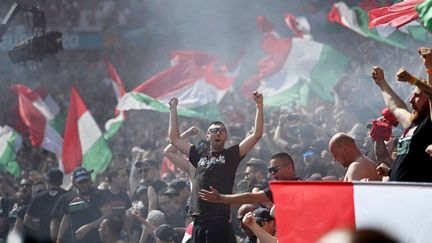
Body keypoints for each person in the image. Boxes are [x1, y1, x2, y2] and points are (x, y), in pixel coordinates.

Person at [168, 91, 264, 243]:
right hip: (198, 221)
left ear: (226, 136)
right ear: (207, 136)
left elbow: (256, 135)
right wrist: (173, 110)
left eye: (221, 130)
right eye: (214, 130)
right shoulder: (198, 153)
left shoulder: (231, 154)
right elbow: (174, 139)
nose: (218, 133)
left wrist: (259, 106)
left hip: (218, 222)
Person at [371, 56, 432, 181]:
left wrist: (422, 73)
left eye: (416, 96)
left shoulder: (429, 123)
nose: (410, 100)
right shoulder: (413, 124)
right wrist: (382, 82)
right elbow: (395, 107)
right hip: (401, 193)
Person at [199, 152, 298, 205]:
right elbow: (252, 197)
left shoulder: (305, 187)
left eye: (275, 169)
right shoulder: (278, 189)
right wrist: (220, 198)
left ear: (289, 167)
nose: (272, 173)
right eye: (270, 170)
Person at [56, 167, 111, 243]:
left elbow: (107, 215)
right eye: (81, 182)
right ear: (74, 182)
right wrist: (59, 239)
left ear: (90, 179)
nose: (84, 184)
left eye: (86, 181)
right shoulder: (68, 198)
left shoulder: (99, 194)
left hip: (96, 239)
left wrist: (88, 227)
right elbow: (65, 220)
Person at [24, 168, 67, 242]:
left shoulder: (38, 197)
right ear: (61, 182)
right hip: (65, 238)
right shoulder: (68, 196)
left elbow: (27, 220)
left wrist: (40, 229)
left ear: (48, 181)